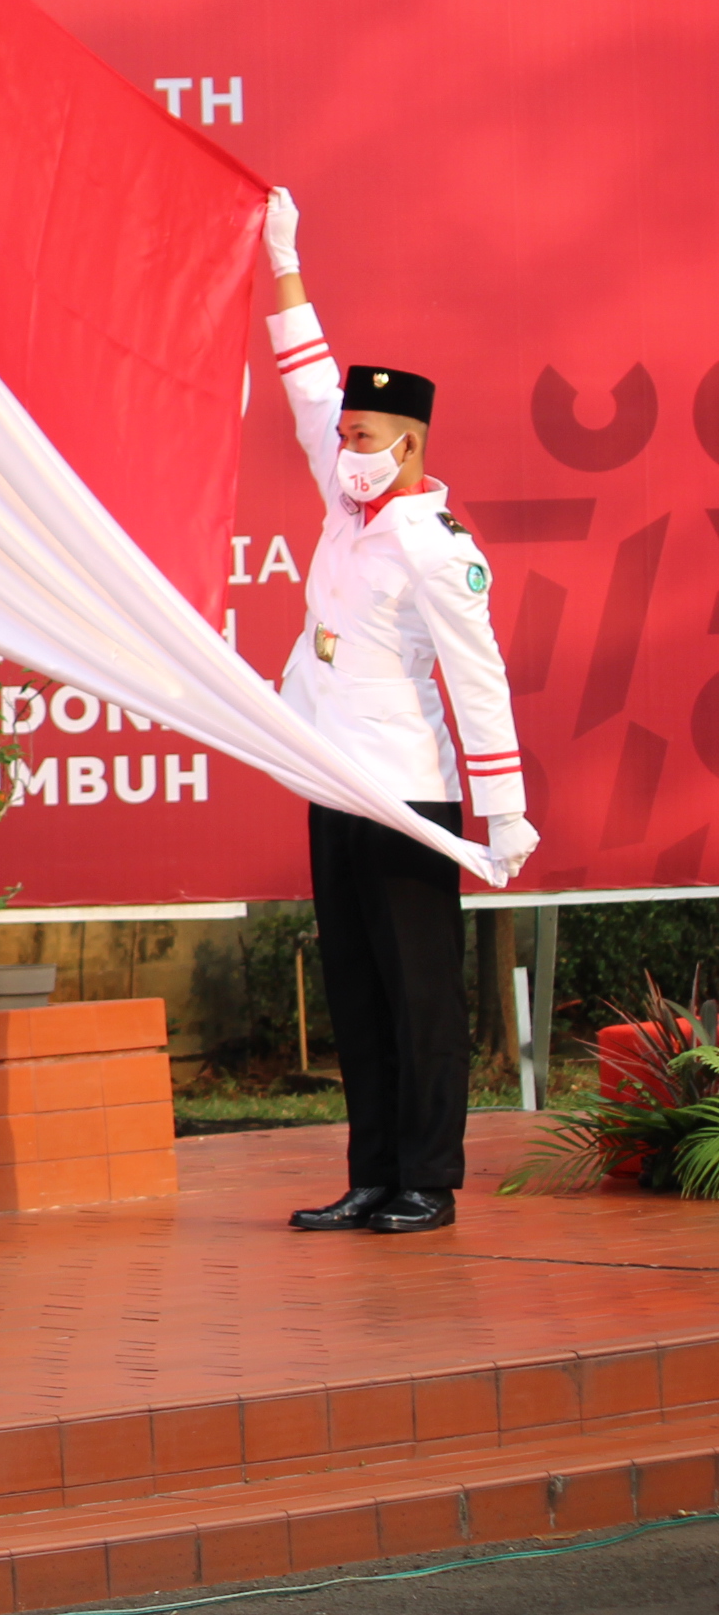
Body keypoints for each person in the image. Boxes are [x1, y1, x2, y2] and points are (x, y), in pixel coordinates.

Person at [264, 190, 535, 1237]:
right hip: (337, 778)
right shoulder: (347, 503)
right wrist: (284, 267)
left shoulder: (435, 545)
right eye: (347, 436)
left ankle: (429, 1176)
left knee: (421, 996)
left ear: (410, 447)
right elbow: (306, 389)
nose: (346, 448)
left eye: (365, 437)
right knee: (359, 988)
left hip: (411, 793)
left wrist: (502, 813)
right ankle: (373, 1173)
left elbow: (482, 680)